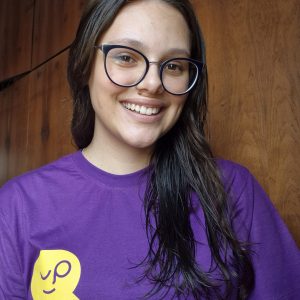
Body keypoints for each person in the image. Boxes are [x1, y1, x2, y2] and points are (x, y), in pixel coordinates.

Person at [0, 0, 299, 299]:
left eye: (173, 66)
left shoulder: (233, 189)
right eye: (127, 57)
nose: (154, 84)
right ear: (84, 66)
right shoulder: (17, 207)